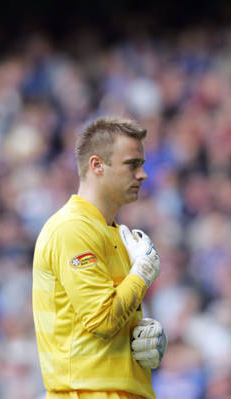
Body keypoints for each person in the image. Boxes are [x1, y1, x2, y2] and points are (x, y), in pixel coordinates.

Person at [32, 116, 167, 399]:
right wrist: (142, 272)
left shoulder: (116, 234)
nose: (142, 174)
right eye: (132, 164)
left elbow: (106, 321)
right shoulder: (72, 229)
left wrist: (137, 336)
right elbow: (103, 319)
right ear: (97, 165)